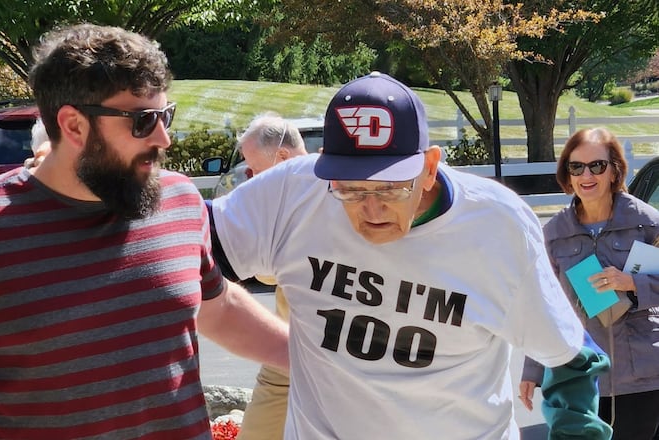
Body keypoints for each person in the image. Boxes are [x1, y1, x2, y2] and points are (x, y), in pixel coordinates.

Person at [0, 23, 288, 440]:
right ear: (74, 126)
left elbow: (218, 307)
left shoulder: (179, 199)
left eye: (165, 115)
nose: (164, 138)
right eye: (143, 121)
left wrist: (319, 357)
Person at [207, 71, 610, 439]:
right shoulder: (294, 192)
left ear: (430, 167)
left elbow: (571, 355)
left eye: (391, 189)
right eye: (350, 191)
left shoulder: (496, 226)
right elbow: (186, 249)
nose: (371, 209)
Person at [519, 127, 659, 440]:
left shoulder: (647, 224)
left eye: (597, 165)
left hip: (642, 376)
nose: (587, 175)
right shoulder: (555, 233)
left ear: (615, 171)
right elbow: (542, 304)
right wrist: (532, 370)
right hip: (581, 377)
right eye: (576, 166)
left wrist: (632, 282)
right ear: (567, 175)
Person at [231, 113, 307, 440]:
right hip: (285, 356)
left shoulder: (332, 193)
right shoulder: (279, 196)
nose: (251, 179)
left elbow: (265, 270)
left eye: (255, 170)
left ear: (283, 158)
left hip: (337, 358)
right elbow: (267, 276)